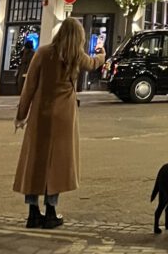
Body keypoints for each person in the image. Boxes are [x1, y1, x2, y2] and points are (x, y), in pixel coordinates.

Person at [13, 18, 105, 229]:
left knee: (35, 161)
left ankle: (33, 212)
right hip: (64, 116)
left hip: (41, 114)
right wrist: (102, 53)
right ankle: (51, 211)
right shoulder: (75, 56)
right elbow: (93, 63)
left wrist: (21, 114)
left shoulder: (44, 53)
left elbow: (29, 87)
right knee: (57, 164)